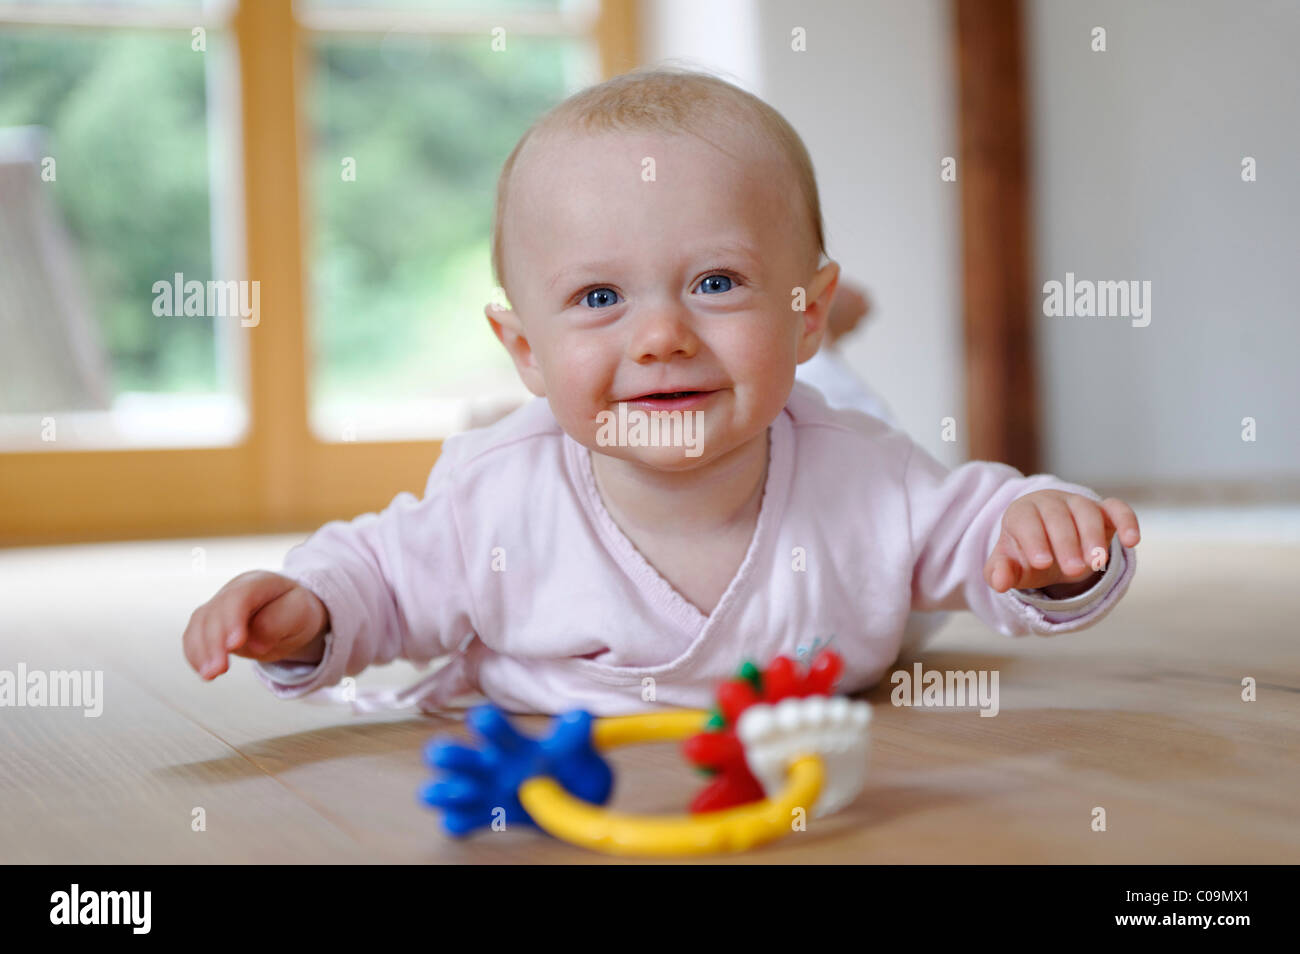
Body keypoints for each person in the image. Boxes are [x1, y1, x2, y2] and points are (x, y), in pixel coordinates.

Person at [182, 67, 1140, 715]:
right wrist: (308, 613)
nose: (662, 336)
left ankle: (829, 354)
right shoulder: (497, 501)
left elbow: (976, 530)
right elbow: (382, 579)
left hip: (822, 469)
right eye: (599, 297)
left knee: (853, 424)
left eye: (715, 282)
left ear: (802, 307)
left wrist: (1044, 541)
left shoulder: (870, 484)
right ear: (523, 347)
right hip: (578, 754)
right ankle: (802, 340)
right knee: (760, 383)